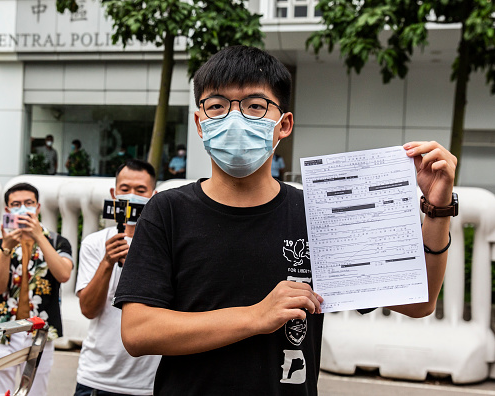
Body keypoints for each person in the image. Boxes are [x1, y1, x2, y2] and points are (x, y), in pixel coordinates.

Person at [113, 46, 457, 395]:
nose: (235, 118)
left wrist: (438, 207)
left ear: (284, 124)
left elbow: (419, 301)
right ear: (200, 124)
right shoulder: (168, 210)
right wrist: (255, 316)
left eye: (255, 105)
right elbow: (138, 331)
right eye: (217, 105)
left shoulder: (319, 213)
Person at [75, 159, 160, 396]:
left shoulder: (166, 245)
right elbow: (88, 309)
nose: (131, 196)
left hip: (149, 382)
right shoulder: (94, 243)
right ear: (114, 194)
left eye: (140, 190)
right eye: (125, 189)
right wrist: (107, 262)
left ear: (154, 195)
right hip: (97, 379)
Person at [0, 182, 73, 396]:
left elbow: (64, 274)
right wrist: (6, 248)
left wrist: (38, 237)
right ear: (7, 210)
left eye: (28, 203)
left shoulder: (57, 241)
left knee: (35, 391)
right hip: (5, 329)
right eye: (16, 204)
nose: (23, 208)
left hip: (40, 330)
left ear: (38, 207)